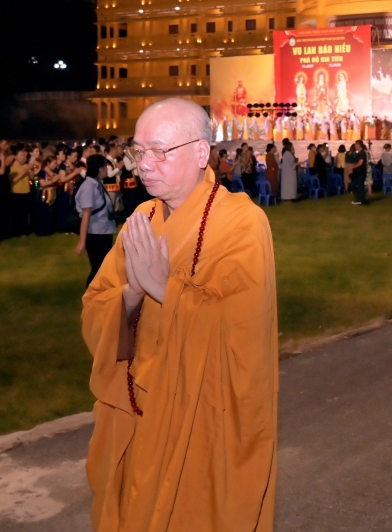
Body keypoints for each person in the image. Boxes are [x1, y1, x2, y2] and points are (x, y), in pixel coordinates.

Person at [82, 97, 277, 531]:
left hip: (200, 416)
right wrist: (132, 294)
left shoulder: (242, 224)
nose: (144, 165)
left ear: (201, 152)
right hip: (139, 407)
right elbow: (96, 304)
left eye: (159, 151)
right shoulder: (141, 218)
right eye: (138, 151)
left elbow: (242, 331)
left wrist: (162, 287)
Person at [75, 154, 117, 287]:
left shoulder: (97, 184)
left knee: (103, 268)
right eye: (105, 166)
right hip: (95, 234)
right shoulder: (89, 187)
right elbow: (86, 215)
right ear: (100, 169)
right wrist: (82, 242)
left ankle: (98, 294)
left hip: (104, 231)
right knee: (98, 269)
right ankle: (91, 294)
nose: (107, 169)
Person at [346, 140, 368, 205]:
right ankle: (360, 199)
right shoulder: (358, 153)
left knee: (359, 186)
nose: (355, 146)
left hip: (361, 172)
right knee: (354, 185)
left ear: (358, 145)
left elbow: (360, 163)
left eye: (355, 145)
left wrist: (353, 167)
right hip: (357, 172)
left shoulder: (362, 153)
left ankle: (361, 200)